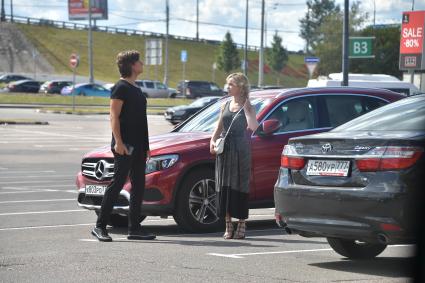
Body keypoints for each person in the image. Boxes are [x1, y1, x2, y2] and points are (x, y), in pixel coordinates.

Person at [91, 50, 156, 242]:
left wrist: (146, 146)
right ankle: (100, 226)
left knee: (138, 187)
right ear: (131, 65)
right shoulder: (120, 88)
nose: (142, 63)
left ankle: (134, 228)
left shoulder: (136, 89)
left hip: (139, 146)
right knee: (117, 184)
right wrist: (118, 142)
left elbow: (141, 121)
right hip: (124, 145)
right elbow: (114, 116)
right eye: (139, 61)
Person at [210, 72, 259, 239]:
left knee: (239, 186)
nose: (228, 87)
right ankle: (228, 224)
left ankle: (242, 223)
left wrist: (247, 110)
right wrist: (213, 140)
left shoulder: (247, 105)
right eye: (228, 84)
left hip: (240, 150)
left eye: (231, 84)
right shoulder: (225, 105)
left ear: (240, 87)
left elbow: (253, 126)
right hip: (225, 150)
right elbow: (219, 126)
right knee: (224, 187)